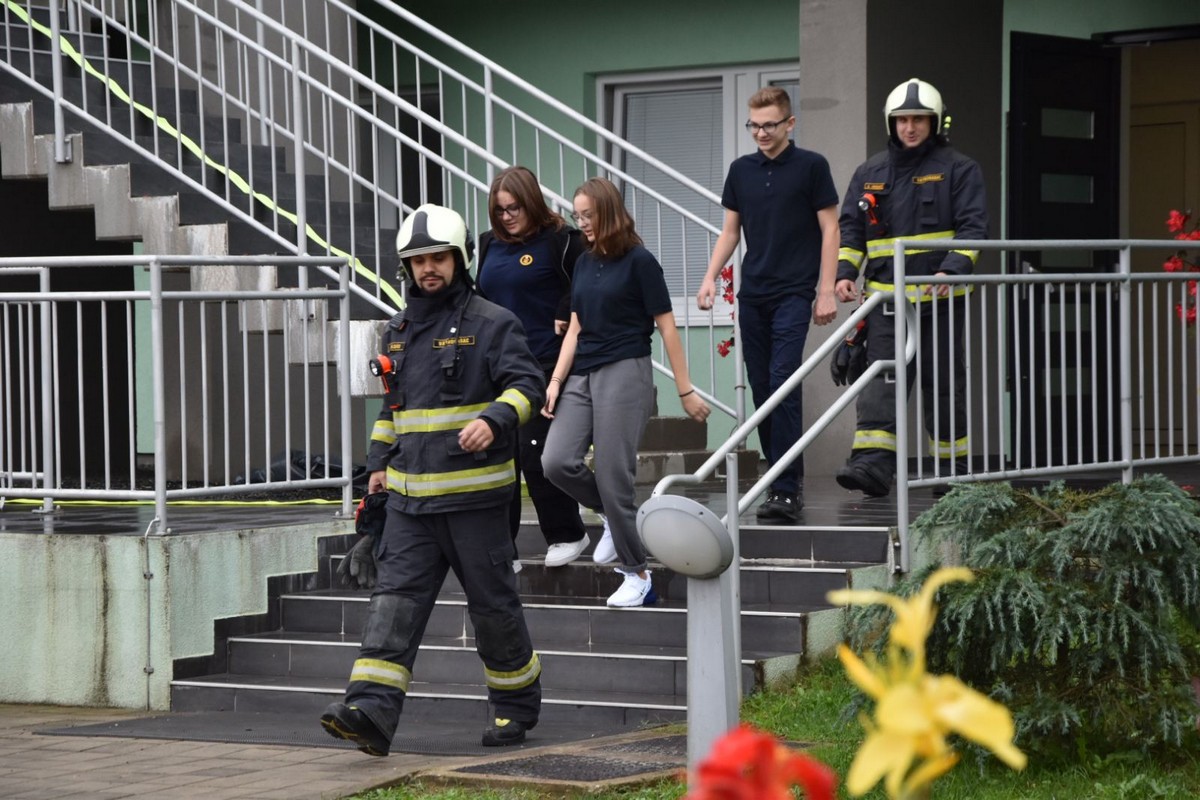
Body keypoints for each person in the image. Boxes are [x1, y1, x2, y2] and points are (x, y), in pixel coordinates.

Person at [320, 204, 545, 755]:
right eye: (418, 260)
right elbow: (392, 411)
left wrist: (494, 420)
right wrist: (376, 468)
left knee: (494, 611)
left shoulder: (494, 323)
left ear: (459, 259)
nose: (428, 269)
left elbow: (528, 386)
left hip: (476, 506)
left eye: (438, 258)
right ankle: (369, 712)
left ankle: (513, 709)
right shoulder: (396, 332)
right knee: (391, 608)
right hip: (409, 506)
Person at [542, 177, 710, 608]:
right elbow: (576, 327)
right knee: (556, 460)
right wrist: (556, 381)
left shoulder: (640, 262)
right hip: (583, 372)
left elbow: (667, 326)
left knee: (614, 476)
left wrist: (685, 390)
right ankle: (617, 523)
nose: (582, 224)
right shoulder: (582, 263)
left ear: (609, 212)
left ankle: (638, 575)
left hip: (625, 369)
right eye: (577, 216)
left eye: (588, 215)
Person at [833, 78, 987, 497]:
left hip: (940, 300)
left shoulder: (960, 169)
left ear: (935, 122)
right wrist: (845, 273)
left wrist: (951, 270)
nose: (910, 127)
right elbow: (852, 229)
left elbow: (974, 228)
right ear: (892, 123)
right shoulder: (870, 172)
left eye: (919, 119)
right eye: (902, 120)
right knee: (880, 383)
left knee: (943, 384)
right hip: (885, 301)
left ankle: (950, 471)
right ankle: (872, 466)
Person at [695, 86, 840, 523]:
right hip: (753, 294)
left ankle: (786, 487)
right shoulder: (741, 171)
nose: (760, 132)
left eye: (769, 125)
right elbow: (730, 233)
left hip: (795, 292)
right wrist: (707, 279)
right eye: (754, 125)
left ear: (789, 123)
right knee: (762, 390)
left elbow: (831, 230)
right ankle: (777, 476)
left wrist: (827, 288)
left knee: (782, 382)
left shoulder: (812, 167)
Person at [476, 166, 591, 569]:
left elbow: (587, 285)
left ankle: (567, 532)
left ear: (532, 203)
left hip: (546, 361)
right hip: (497, 364)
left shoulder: (562, 241)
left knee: (533, 451)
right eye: (500, 210)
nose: (507, 216)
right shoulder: (488, 244)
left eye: (514, 208)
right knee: (498, 458)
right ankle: (501, 551)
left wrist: (565, 309)